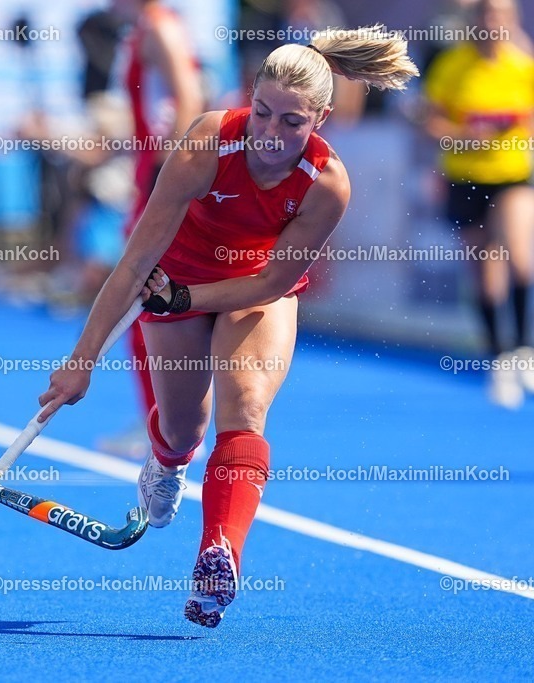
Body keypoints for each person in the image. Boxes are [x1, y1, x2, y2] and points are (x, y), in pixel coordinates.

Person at [39, 27, 417, 626]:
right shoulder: (208, 143)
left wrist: (188, 296)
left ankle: (218, 559)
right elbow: (136, 260)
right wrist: (81, 360)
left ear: (320, 119)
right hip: (174, 278)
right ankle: (165, 462)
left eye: (292, 123)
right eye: (262, 112)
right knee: (185, 425)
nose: (270, 134)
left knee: (245, 405)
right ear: (250, 96)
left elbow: (269, 284)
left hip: (253, 288)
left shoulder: (327, 185)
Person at [98, 0, 204, 459]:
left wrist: (171, 172)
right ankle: (160, 419)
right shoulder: (143, 29)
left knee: (142, 295)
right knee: (140, 299)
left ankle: (167, 423)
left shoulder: (160, 27)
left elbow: (190, 98)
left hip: (160, 173)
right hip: (149, 168)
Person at [422, 0, 534, 408]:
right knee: (485, 273)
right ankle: (499, 356)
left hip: (510, 176)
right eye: (486, 15)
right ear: (476, 22)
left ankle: (524, 348)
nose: (493, 23)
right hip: (465, 178)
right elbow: (429, 122)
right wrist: (464, 135)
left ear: (511, 22)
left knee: (520, 256)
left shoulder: (523, 66)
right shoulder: (452, 67)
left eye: (501, 16)